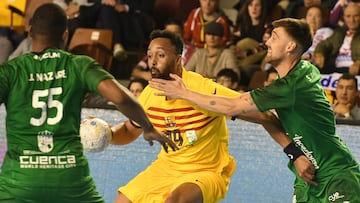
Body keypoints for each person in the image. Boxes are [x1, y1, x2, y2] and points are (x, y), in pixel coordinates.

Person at [150, 18, 360, 202]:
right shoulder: (301, 71)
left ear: (290, 47)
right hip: (308, 180)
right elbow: (265, 117)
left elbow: (232, 105)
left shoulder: (289, 87)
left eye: (274, 37)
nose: (267, 41)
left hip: (337, 176)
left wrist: (184, 93)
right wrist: (294, 153)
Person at [0, 3, 177, 202]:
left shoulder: (11, 71)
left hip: (18, 184)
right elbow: (120, 98)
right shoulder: (78, 65)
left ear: (30, 33)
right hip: (70, 182)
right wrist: (148, 126)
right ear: (65, 34)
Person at [112, 29, 307, 203]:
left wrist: (295, 154)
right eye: (149, 55)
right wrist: (108, 134)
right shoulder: (149, 94)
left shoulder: (204, 89)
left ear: (178, 60)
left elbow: (263, 116)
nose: (152, 62)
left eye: (160, 55)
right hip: (165, 168)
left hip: (205, 171)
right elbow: (129, 131)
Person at [130, 17, 196, 81]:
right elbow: (136, 71)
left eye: (175, 33)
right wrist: (145, 75)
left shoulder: (194, 51)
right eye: (168, 33)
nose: (171, 37)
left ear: (183, 33)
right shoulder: (156, 51)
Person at [313, 3, 360, 74]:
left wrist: (359, 63)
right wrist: (319, 53)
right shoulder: (340, 32)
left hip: (354, 70)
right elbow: (325, 44)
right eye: (348, 16)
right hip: (334, 68)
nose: (352, 20)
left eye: (356, 16)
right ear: (344, 18)